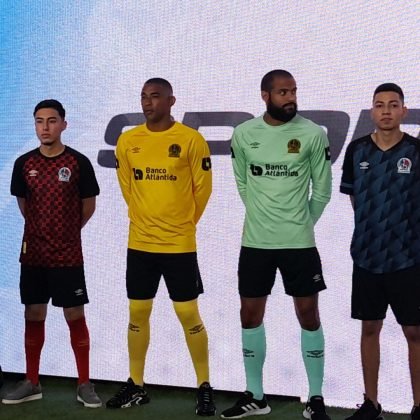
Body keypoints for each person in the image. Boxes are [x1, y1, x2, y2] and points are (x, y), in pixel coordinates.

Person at [221, 70, 332, 420]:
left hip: (299, 245)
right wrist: (263, 218)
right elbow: (243, 184)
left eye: (293, 91)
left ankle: (315, 398)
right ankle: (256, 396)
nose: (291, 98)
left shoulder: (312, 133)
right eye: (283, 92)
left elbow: (323, 190)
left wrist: (300, 225)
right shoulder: (244, 134)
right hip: (256, 243)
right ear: (265, 95)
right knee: (249, 315)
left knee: (308, 315)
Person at [106, 78, 215, 416]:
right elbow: (128, 188)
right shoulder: (128, 141)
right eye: (143, 97)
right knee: (138, 313)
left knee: (187, 314)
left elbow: (203, 190)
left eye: (155, 96)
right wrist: (146, 220)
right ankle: (136, 385)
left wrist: (181, 224)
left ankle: (204, 386)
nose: (147, 102)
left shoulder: (191, 140)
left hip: (179, 245)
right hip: (140, 244)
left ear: (171, 101)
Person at [3, 100, 101, 408]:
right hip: (33, 254)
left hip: (67, 255)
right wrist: (41, 231)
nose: (45, 127)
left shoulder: (78, 162)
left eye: (51, 121)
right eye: (39, 121)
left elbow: (88, 205)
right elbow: (24, 205)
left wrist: (66, 232)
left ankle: (84, 383)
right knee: (33, 314)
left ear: (63, 125)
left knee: (74, 314)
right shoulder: (23, 164)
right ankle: (32, 381)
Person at [340, 83, 420, 420]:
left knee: (415, 332)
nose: (386, 110)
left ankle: (419, 405)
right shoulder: (357, 150)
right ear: (372, 111)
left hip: (409, 257)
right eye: (379, 105)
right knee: (369, 328)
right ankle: (371, 405)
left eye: (393, 104)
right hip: (367, 257)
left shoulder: (416, 151)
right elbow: (355, 199)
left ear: (403, 110)